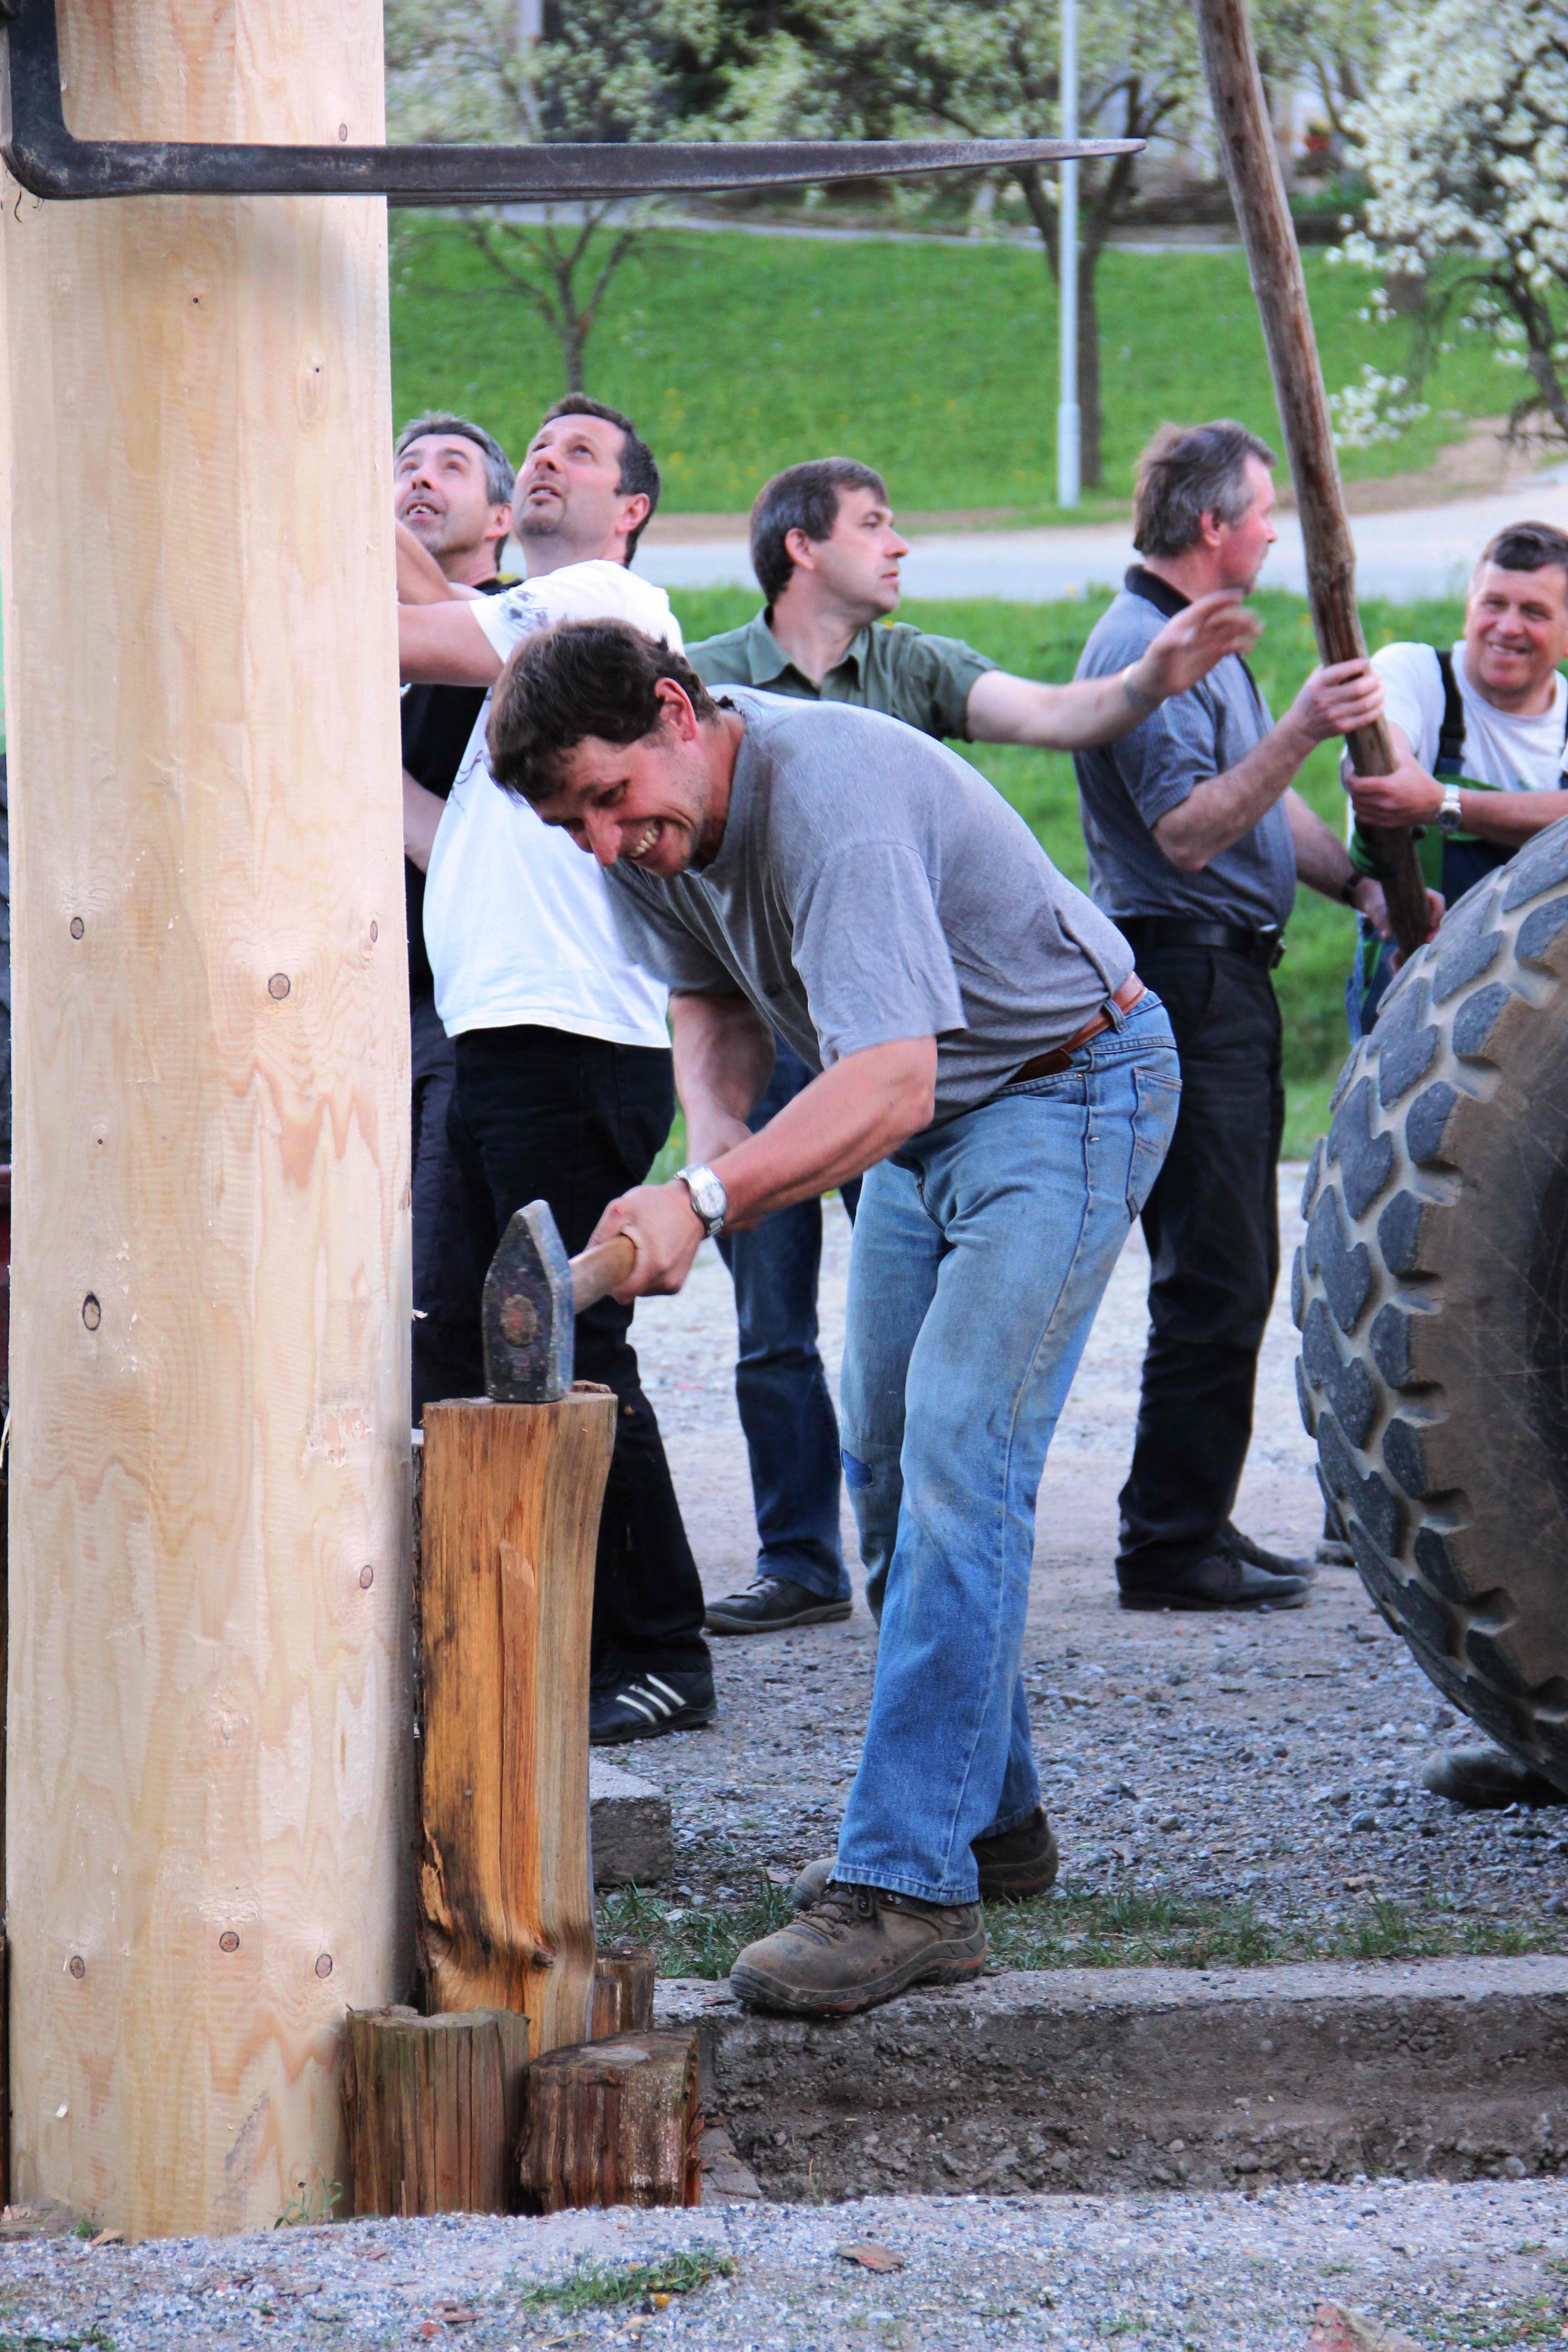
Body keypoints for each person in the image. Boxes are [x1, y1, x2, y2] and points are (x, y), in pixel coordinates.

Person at [483, 617, 1181, 2016]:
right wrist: (699, 1164)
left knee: (959, 1454)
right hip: (930, 1129)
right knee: (882, 1467)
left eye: (611, 801)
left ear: (679, 711)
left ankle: (912, 1885)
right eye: (575, 825)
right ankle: (991, 1820)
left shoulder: (834, 803)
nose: (606, 843)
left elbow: (891, 1080)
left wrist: (711, 1192)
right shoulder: (651, 835)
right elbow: (713, 1009)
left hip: (1065, 1086)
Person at [685, 455, 1260, 1638]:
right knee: (773, 1304)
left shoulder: (915, 665)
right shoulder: (702, 689)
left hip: (920, 1041)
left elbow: (1056, 716)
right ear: (801, 546)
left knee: (929, 1392)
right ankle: (802, 1557)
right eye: (875, 524)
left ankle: (932, 1637)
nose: (900, 544)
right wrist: (714, 1132)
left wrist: (1149, 677)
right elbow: (693, 957)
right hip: (790, 1023)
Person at [398, 395, 714, 1747]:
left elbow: (394, 626)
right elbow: (432, 829)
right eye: (532, 447)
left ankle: (662, 1649)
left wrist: (364, 502)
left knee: (570, 1343)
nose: (543, 460)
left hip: (572, 1036)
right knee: (476, 1352)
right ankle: (538, 1631)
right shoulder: (525, 669)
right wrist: (406, 516)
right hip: (502, 1031)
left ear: (629, 508)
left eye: (576, 453)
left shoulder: (599, 599)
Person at [1072, 418, 1427, 1615]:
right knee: (1216, 1271)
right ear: (1215, 526)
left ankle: (1192, 1523)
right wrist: (1304, 729)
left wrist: (1367, 882)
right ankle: (1168, 1545)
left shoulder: (1208, 647)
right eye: (1265, 511)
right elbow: (1188, 831)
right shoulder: (1144, 645)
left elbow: (1264, 813)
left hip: (1225, 974)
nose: (1277, 530)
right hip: (1186, 972)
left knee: (1232, 1264)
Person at [394, 412, 517, 1418]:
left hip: (450, 1014)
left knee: (436, 1308)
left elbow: (472, 853)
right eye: (406, 465)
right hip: (336, 1005)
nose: (422, 480)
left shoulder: (512, 639)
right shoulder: (358, 648)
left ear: (503, 517)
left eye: (452, 467)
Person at [1343, 519, 1568, 1035]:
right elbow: (1382, 777)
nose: (1507, 628)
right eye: (1494, 604)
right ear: (1469, 609)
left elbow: (1416, 795)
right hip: (1411, 989)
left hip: (1541, 1016)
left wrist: (1443, 802)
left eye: (1534, 612)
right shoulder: (1415, 675)